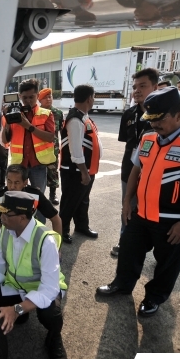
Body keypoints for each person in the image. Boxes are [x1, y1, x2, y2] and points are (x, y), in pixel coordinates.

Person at [97, 87, 180, 317]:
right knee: (128, 254)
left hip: (173, 221)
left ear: (179, 114)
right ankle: (122, 285)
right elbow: (136, 170)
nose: (154, 125)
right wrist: (127, 202)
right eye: (150, 119)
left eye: (160, 119)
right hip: (140, 214)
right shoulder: (148, 137)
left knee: (167, 265)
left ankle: (154, 297)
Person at [0, 191, 68, 359]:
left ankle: (54, 338)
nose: (1, 217)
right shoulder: (6, 229)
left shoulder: (46, 241)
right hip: (15, 286)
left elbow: (49, 288)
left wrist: (17, 309)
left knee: (51, 315)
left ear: (22, 217)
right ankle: (21, 314)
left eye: (6, 214)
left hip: (41, 290)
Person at [111, 68, 160, 257]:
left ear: (155, 87)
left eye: (142, 86)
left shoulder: (169, 114)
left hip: (157, 175)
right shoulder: (129, 114)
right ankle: (125, 243)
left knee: (155, 211)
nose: (137, 91)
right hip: (130, 170)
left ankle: (157, 248)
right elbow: (127, 142)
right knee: (128, 208)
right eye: (134, 87)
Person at [59, 84, 102, 244]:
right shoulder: (75, 119)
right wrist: (84, 171)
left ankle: (81, 226)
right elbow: (76, 150)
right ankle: (62, 231)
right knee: (70, 202)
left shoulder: (83, 116)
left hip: (86, 169)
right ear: (90, 98)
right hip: (75, 171)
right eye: (94, 97)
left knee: (83, 200)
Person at [0, 79, 56, 194]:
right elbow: (5, 140)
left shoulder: (46, 114)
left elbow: (51, 137)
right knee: (17, 197)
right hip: (18, 166)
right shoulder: (12, 114)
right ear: (20, 96)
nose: (28, 101)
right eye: (25, 98)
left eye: (32, 97)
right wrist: (8, 120)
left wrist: (29, 126)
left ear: (38, 95)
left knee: (38, 199)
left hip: (38, 164)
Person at [0, 164, 62, 238]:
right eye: (9, 181)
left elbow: (56, 219)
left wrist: (57, 246)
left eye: (16, 182)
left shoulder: (35, 195)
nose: (12, 186)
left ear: (25, 182)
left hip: (31, 237)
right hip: (7, 237)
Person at [38, 87, 64, 205]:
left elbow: (62, 132)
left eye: (50, 97)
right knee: (39, 173)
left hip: (53, 149)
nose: (49, 99)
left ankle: (52, 195)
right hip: (39, 150)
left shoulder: (58, 113)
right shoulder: (37, 113)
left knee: (53, 172)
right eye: (45, 97)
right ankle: (39, 196)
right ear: (40, 100)